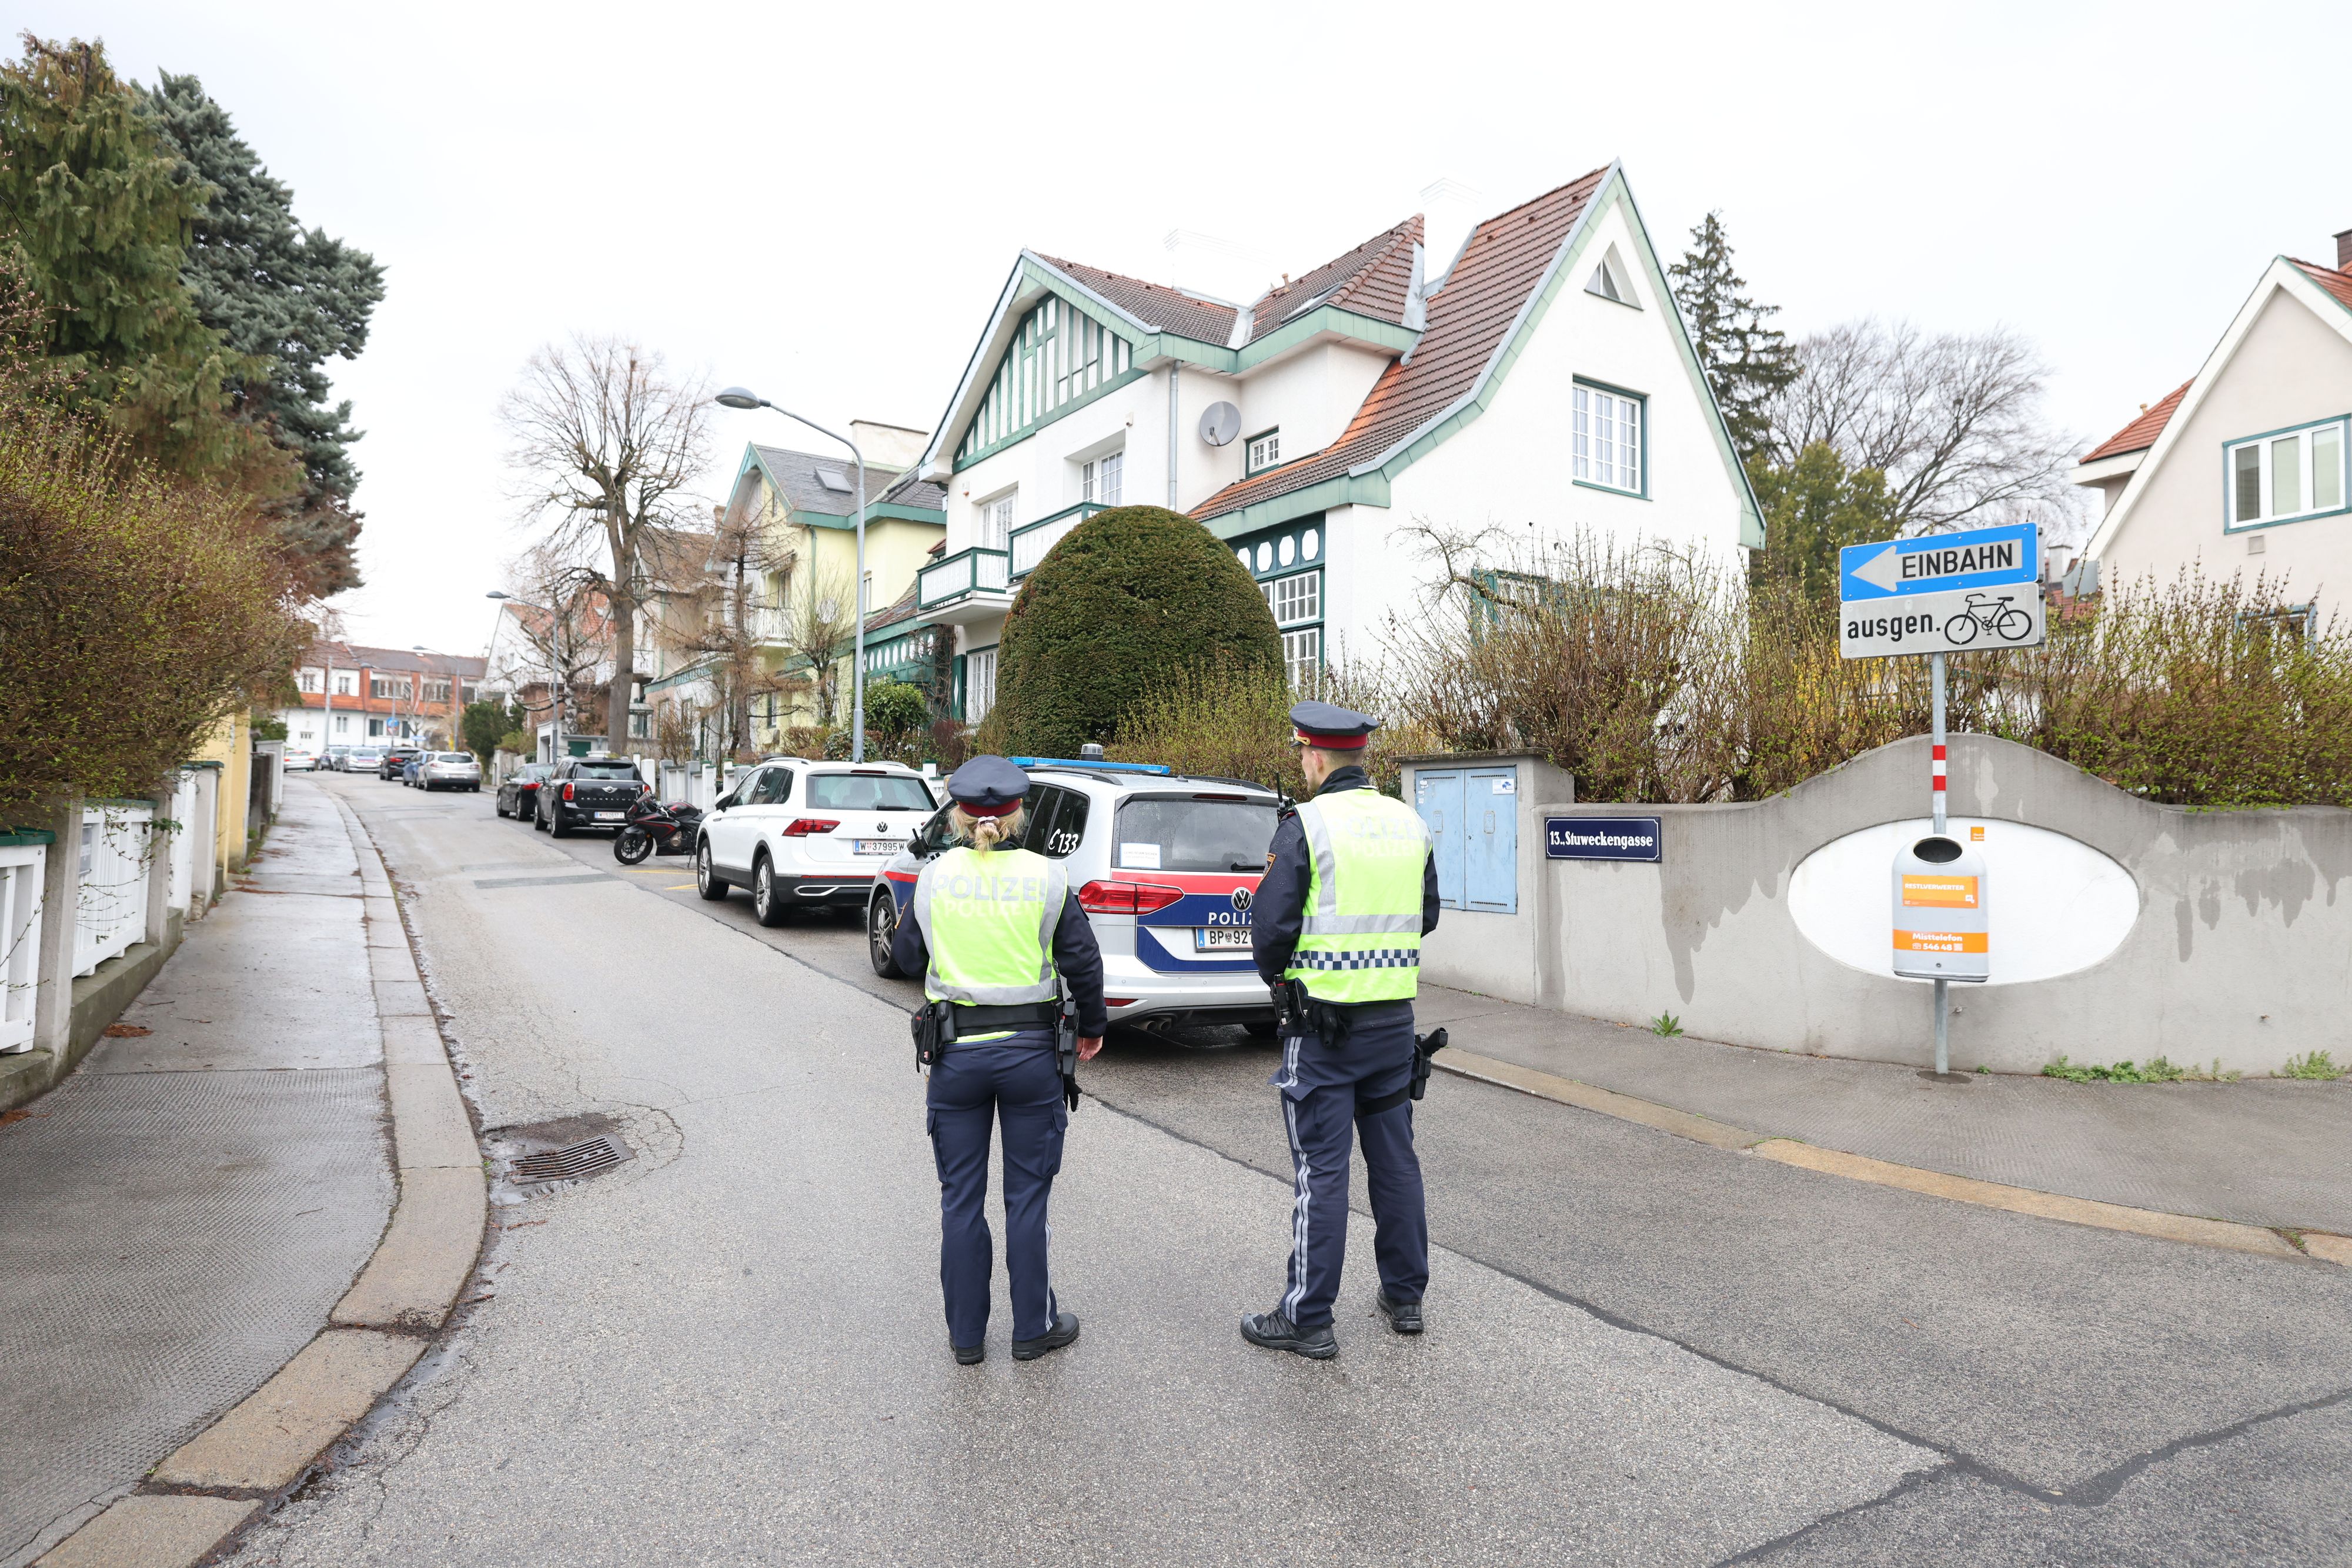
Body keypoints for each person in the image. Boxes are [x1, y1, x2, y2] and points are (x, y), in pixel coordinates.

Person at [892, 755, 1107, 1366]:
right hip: (1030, 1057)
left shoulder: (934, 877)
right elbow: (1083, 963)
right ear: (1017, 815)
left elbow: (907, 958)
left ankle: (966, 1339)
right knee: (1026, 1198)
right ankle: (1032, 1330)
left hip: (956, 1055)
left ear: (960, 816)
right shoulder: (1047, 877)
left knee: (960, 1198)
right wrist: (1092, 1027)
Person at [1242, 701, 1441, 1359]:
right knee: (1394, 1161)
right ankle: (1405, 1296)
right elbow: (1427, 915)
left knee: (1321, 1173)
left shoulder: (1306, 825)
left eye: (1301, 753)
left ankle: (1308, 1318)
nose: (1301, 763)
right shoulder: (1409, 823)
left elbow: (1269, 933)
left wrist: (1282, 979)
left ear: (1316, 755)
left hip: (1323, 1031)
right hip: (1392, 1025)